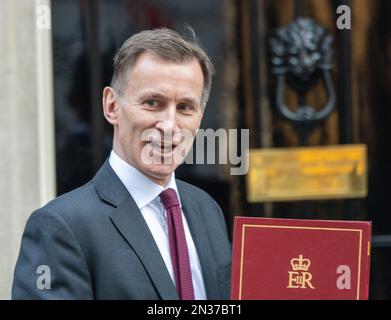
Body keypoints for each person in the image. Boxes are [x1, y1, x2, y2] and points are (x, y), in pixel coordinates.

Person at [12, 28, 231, 300]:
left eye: (185, 107)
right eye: (153, 102)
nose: (169, 125)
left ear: (200, 116)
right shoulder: (60, 226)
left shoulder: (207, 209)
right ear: (112, 106)